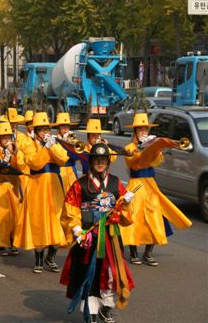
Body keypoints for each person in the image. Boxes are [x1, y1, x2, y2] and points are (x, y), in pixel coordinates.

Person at [60, 143, 136, 323]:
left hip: (110, 237)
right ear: (91, 161)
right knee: (89, 273)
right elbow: (69, 210)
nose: (100, 163)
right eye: (97, 159)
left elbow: (125, 217)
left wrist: (125, 204)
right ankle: (91, 309)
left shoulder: (116, 183)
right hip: (87, 237)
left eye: (103, 160)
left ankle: (107, 306)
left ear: (108, 162)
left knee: (111, 272)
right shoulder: (80, 185)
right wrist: (77, 229)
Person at [119, 113, 192, 266]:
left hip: (150, 184)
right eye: (141, 130)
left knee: (155, 217)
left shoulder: (152, 144)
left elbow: (157, 162)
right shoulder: (129, 148)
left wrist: (156, 149)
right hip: (136, 183)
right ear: (135, 132)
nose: (144, 133)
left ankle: (147, 253)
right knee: (134, 215)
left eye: (146, 130)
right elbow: (133, 163)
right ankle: (133, 253)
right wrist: (140, 149)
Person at [14, 112, 68, 273]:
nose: (45, 132)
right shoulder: (29, 145)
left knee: (56, 220)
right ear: (36, 131)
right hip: (37, 186)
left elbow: (63, 159)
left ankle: (50, 256)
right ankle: (38, 259)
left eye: (47, 129)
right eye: (42, 129)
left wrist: (53, 146)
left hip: (54, 186)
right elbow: (35, 163)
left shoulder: (54, 143)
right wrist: (45, 148)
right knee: (38, 221)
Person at [0, 121, 24, 256]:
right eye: (4, 138)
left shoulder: (15, 150)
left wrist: (14, 154)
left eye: (9, 137)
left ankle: (13, 241)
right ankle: (1, 245)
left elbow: (22, 166)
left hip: (13, 186)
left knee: (14, 215)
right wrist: (5, 157)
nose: (7, 140)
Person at [53, 112, 79, 193]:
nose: (66, 130)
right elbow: (59, 157)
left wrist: (71, 143)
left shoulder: (72, 138)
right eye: (63, 127)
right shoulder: (53, 140)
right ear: (58, 128)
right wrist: (64, 143)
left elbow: (78, 156)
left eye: (67, 127)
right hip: (59, 172)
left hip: (72, 172)